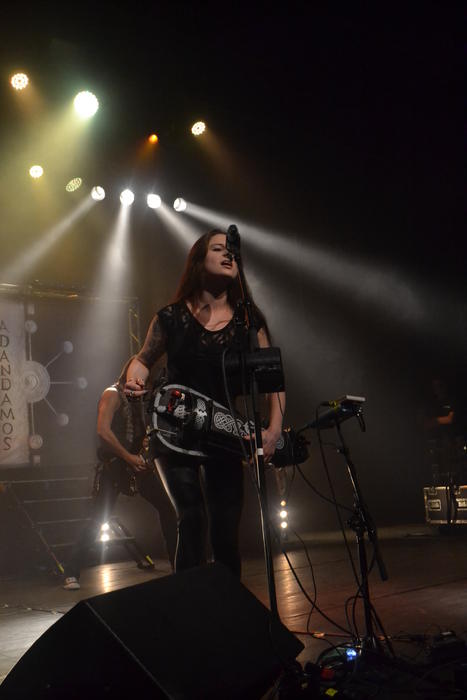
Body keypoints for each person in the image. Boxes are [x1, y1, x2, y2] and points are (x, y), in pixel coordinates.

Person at [125, 230, 285, 577]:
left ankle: (228, 615)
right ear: (199, 260)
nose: (228, 255)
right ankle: (188, 611)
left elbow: (274, 380)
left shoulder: (249, 321)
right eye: (218, 249)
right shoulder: (170, 317)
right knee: (191, 519)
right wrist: (134, 376)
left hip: (225, 434)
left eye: (231, 252)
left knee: (226, 531)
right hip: (174, 430)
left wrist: (273, 430)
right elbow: (143, 358)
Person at [63, 358, 177, 590]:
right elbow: (103, 431)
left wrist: (146, 456)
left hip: (138, 465)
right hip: (115, 466)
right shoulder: (112, 394)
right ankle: (71, 572)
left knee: (168, 507)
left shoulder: (143, 399)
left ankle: (180, 565)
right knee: (98, 518)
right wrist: (128, 457)